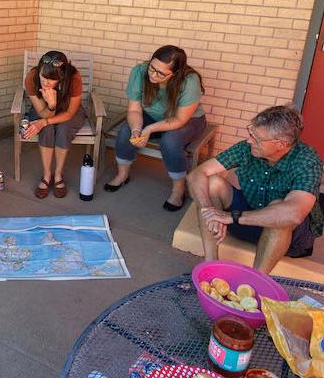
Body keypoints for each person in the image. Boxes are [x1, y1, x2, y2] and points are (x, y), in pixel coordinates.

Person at [188, 105, 323, 274]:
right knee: (212, 183)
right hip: (247, 221)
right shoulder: (247, 148)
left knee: (280, 210)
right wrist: (208, 209)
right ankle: (211, 266)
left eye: (257, 138)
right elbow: (197, 173)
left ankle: (256, 280)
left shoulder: (308, 161)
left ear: (281, 144)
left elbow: (294, 214)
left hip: (287, 239)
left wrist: (232, 217)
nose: (249, 140)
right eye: (251, 132)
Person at [104, 45, 207, 211]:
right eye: (152, 67)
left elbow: (180, 119)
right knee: (126, 132)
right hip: (153, 115)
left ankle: (178, 190)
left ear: (175, 73)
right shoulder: (140, 72)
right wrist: (137, 130)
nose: (153, 74)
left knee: (170, 140)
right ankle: (122, 175)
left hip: (188, 120)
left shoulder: (189, 81)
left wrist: (149, 129)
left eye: (161, 73)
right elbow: (134, 110)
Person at [21, 50, 86, 199]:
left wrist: (44, 121)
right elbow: (43, 113)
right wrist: (51, 105)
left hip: (69, 111)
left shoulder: (73, 78)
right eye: (43, 77)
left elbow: (70, 113)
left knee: (63, 127)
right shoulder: (32, 77)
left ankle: (58, 175)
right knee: (47, 128)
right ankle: (46, 175)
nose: (46, 82)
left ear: (62, 77)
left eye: (52, 80)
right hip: (44, 109)